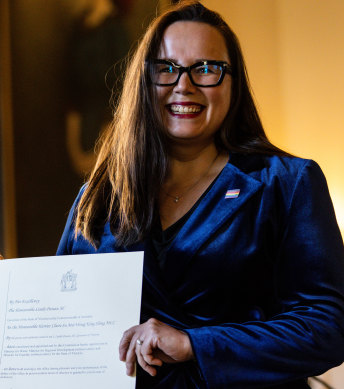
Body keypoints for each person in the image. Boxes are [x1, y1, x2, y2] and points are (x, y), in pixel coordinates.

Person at [54, 1, 344, 388]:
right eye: (166, 69)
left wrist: (196, 343)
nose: (183, 85)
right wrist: (11, 293)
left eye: (206, 69)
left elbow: (329, 327)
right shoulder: (98, 196)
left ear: (233, 81)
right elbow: (63, 318)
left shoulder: (287, 183)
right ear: (145, 81)